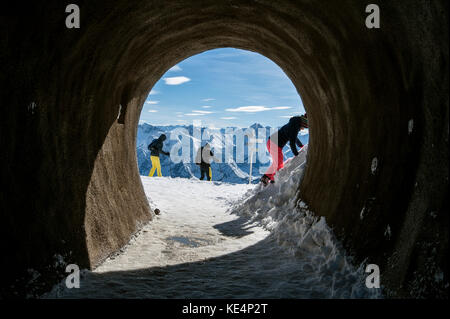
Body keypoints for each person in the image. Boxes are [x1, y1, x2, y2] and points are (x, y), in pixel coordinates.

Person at [260, 114, 308, 186]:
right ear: (303, 123)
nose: (303, 129)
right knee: (278, 163)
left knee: (277, 163)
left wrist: (300, 145)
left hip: (272, 142)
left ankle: (268, 178)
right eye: (304, 127)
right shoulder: (295, 126)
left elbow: (293, 137)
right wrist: (296, 154)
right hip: (274, 143)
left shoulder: (294, 124)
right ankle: (270, 179)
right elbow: (292, 142)